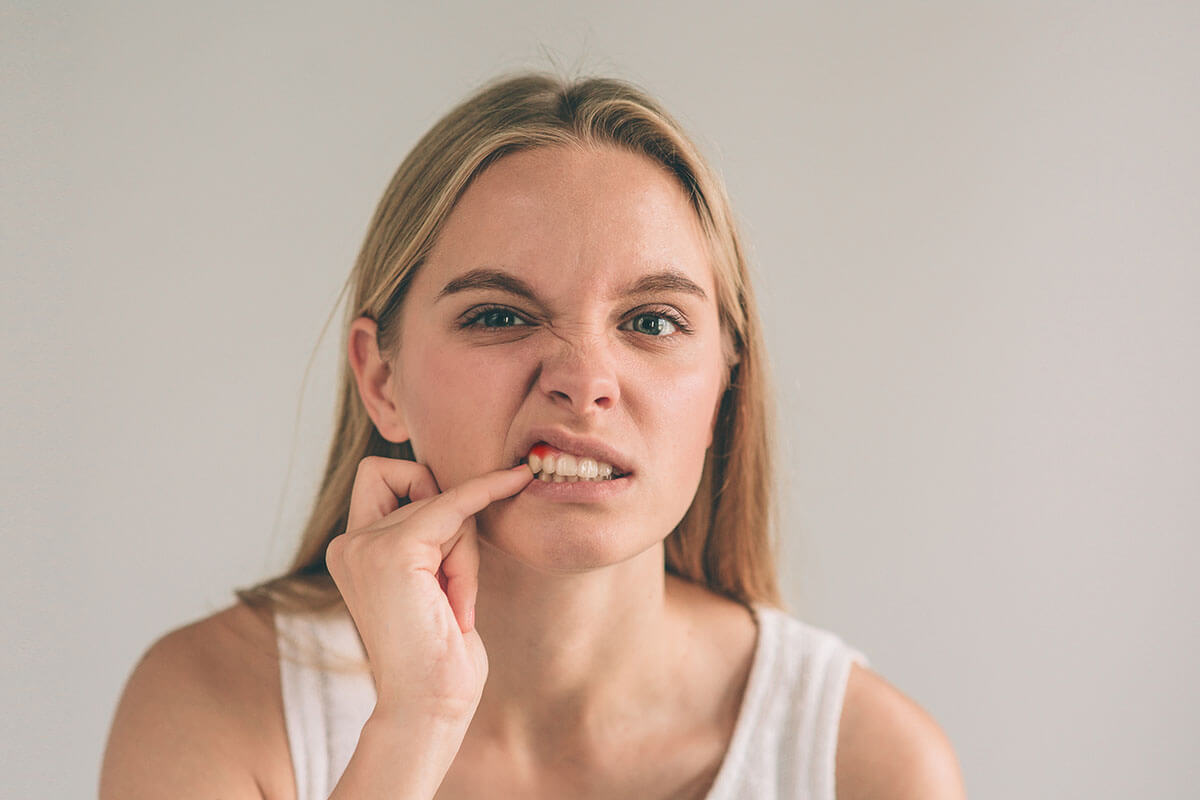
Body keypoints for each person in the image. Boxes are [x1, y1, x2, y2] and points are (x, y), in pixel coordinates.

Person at [100, 72, 966, 799]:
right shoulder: (211, 707)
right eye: (502, 314)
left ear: (724, 388)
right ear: (381, 379)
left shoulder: (869, 764)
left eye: (654, 322)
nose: (584, 380)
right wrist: (413, 726)